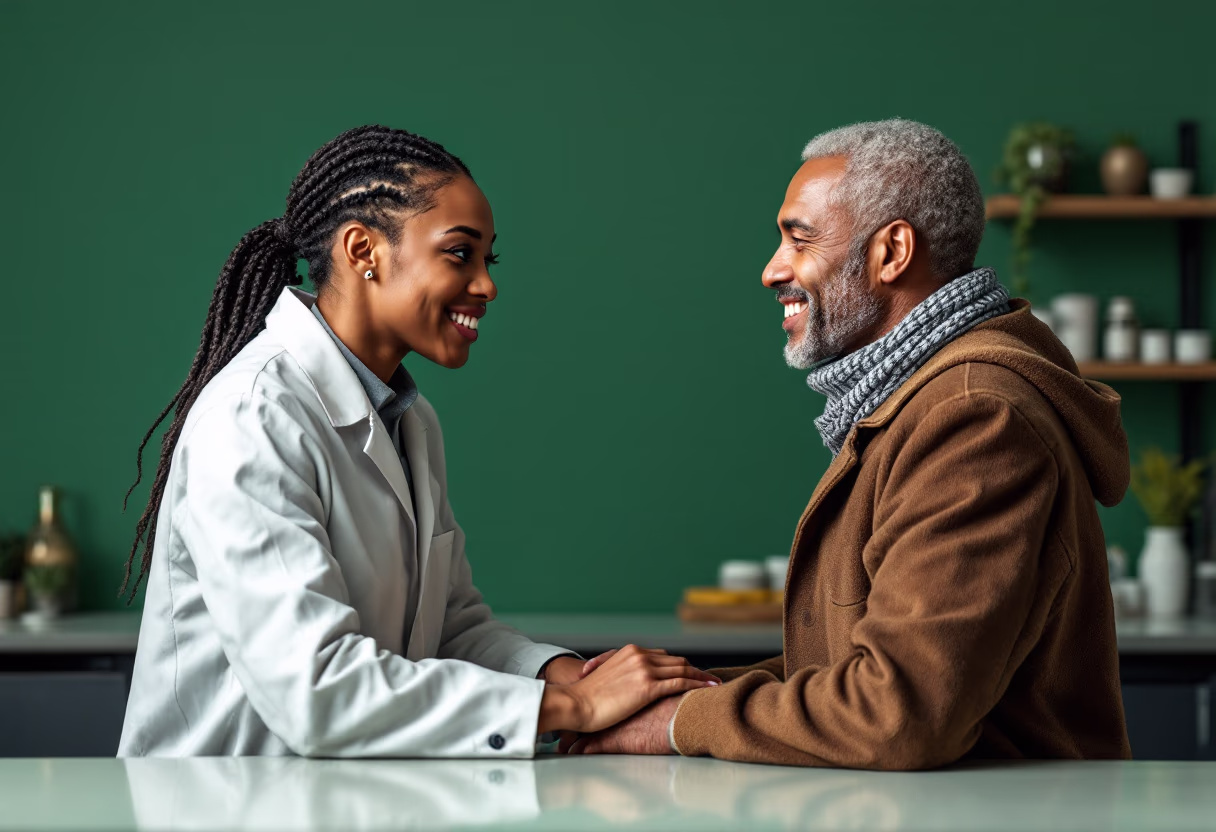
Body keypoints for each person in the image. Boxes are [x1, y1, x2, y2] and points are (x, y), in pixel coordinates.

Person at [118, 125, 717, 758]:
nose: (487, 285)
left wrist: (566, 674)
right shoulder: (253, 416)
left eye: (488, 261)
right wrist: (576, 706)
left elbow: (447, 629)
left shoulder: (409, 418)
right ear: (364, 251)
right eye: (460, 254)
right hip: (220, 799)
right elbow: (316, 692)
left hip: (340, 795)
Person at [570, 119, 1132, 767]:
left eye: (799, 238)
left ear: (891, 252)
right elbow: (848, 666)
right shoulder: (920, 402)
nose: (771, 270)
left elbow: (900, 713)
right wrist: (679, 696)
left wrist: (681, 720)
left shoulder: (973, 416)